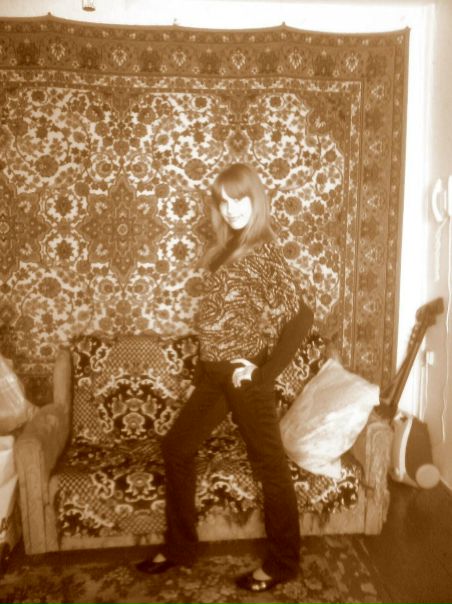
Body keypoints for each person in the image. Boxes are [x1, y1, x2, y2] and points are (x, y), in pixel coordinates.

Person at [136, 163, 314, 592]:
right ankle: (181, 548)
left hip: (242, 377)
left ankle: (284, 562)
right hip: (215, 376)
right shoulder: (228, 247)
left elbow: (302, 317)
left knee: (270, 465)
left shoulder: (264, 251)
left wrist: (264, 375)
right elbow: (223, 316)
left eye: (240, 199)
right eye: (224, 201)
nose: (232, 208)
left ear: (256, 200)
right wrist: (206, 364)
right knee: (177, 447)